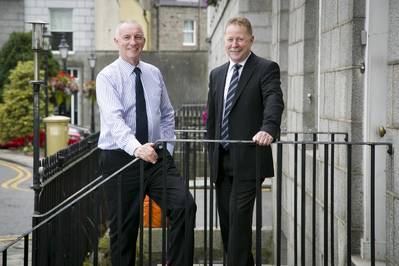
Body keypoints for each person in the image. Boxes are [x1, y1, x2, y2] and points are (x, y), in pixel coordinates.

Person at [96, 21, 196, 266]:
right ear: (116, 41)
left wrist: (167, 150)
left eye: (138, 37)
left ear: (144, 40)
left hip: (155, 156)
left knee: (185, 206)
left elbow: (167, 114)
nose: (133, 42)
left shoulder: (153, 73)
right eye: (127, 37)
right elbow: (114, 120)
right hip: (120, 159)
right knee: (124, 231)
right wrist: (136, 148)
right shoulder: (107, 76)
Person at [206, 17, 284, 265]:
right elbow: (212, 117)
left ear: (251, 39)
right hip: (222, 160)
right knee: (228, 225)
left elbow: (274, 100)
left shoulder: (266, 68)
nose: (234, 44)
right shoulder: (217, 74)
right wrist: (211, 153)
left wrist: (268, 129)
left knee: (239, 221)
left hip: (249, 158)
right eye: (230, 39)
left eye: (240, 38)